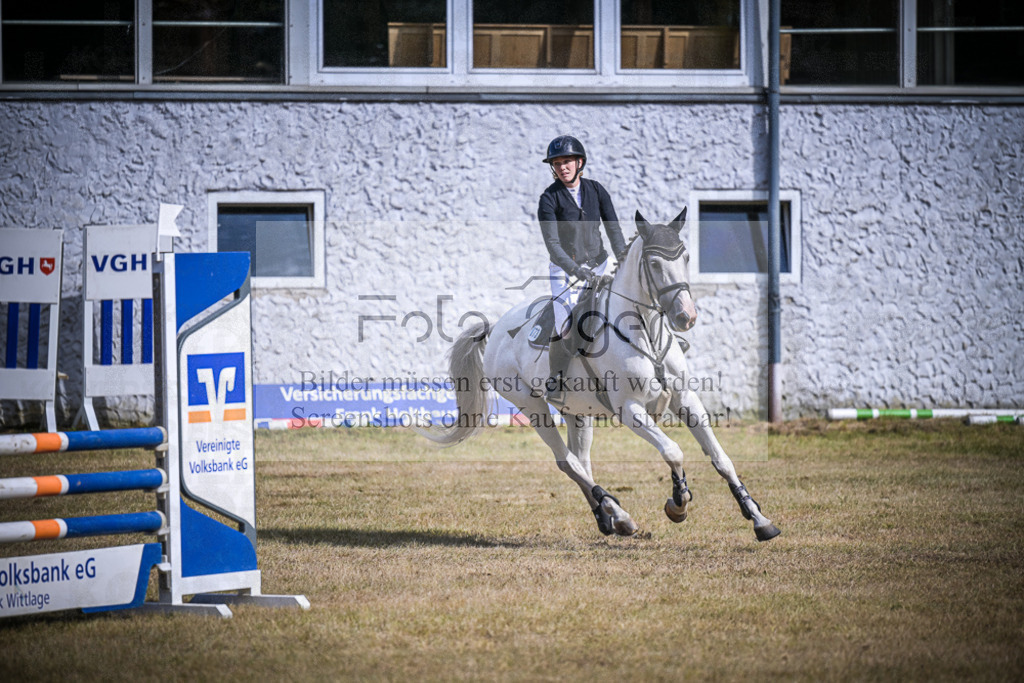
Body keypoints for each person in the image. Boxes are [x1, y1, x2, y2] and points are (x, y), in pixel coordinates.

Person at [537, 135, 627, 405]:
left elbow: (613, 229)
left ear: (579, 163)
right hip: (566, 271)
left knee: (632, 298)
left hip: (600, 263)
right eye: (557, 163)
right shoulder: (548, 199)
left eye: (567, 162)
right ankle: (557, 377)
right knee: (566, 325)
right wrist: (576, 270)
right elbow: (553, 245)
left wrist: (622, 258)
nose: (562, 167)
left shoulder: (596, 190)